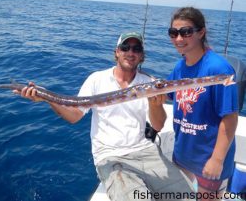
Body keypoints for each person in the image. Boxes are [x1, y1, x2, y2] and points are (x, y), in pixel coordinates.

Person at [17, 32, 195, 201]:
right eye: (125, 47)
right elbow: (74, 116)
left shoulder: (150, 82)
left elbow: (157, 125)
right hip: (111, 158)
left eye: (136, 49)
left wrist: (154, 104)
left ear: (142, 56)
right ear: (117, 52)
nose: (130, 52)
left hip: (146, 152)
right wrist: (46, 98)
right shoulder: (97, 79)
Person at [167, 7, 239, 201]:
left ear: (201, 32)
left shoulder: (219, 68)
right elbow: (170, 96)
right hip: (182, 154)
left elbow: (230, 118)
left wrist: (217, 160)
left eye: (186, 32)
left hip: (208, 160)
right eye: (174, 33)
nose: (179, 39)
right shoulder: (179, 66)